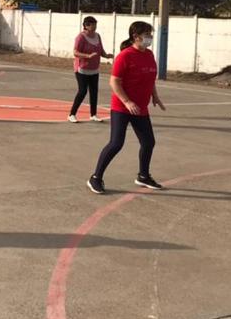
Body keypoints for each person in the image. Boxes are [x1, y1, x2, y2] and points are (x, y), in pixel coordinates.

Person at [87, 21, 166, 194]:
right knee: (116, 143)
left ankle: (143, 176)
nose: (149, 38)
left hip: (140, 108)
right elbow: (114, 81)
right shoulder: (125, 56)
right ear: (135, 37)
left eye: (150, 35)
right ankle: (95, 178)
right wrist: (127, 101)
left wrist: (155, 95)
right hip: (122, 108)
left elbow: (150, 77)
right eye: (146, 35)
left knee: (148, 142)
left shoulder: (149, 55)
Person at [68, 16, 113, 123]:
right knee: (82, 91)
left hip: (94, 69)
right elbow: (75, 52)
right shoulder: (80, 37)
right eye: (92, 24)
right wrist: (87, 56)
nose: (94, 26)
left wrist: (106, 55)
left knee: (94, 92)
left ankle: (93, 114)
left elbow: (101, 50)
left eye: (95, 24)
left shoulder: (97, 36)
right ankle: (72, 114)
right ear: (86, 26)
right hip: (82, 69)